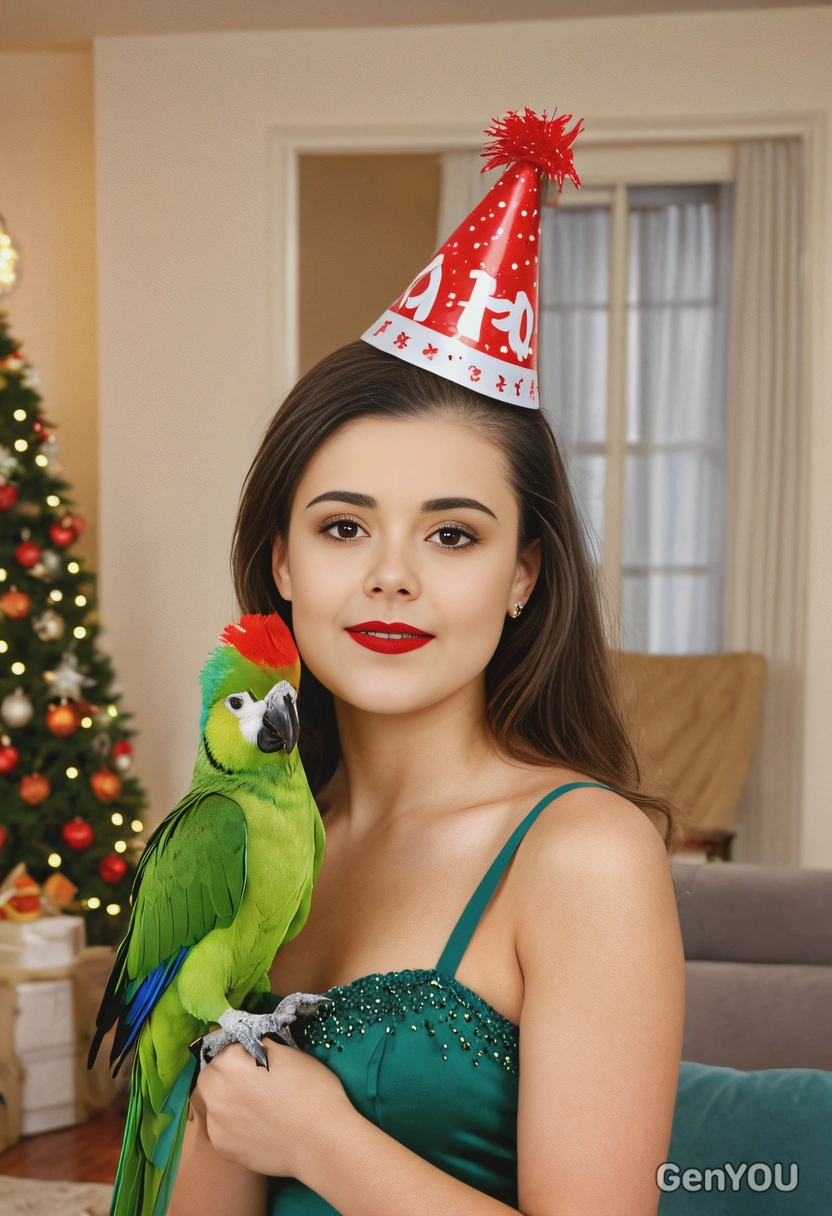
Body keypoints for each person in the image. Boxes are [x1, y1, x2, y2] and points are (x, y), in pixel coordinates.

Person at [169, 108, 686, 1215]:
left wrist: (318, 1135)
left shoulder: (585, 855)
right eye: (344, 528)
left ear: (522, 575)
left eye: (452, 534)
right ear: (284, 565)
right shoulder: (264, 835)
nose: (391, 576)